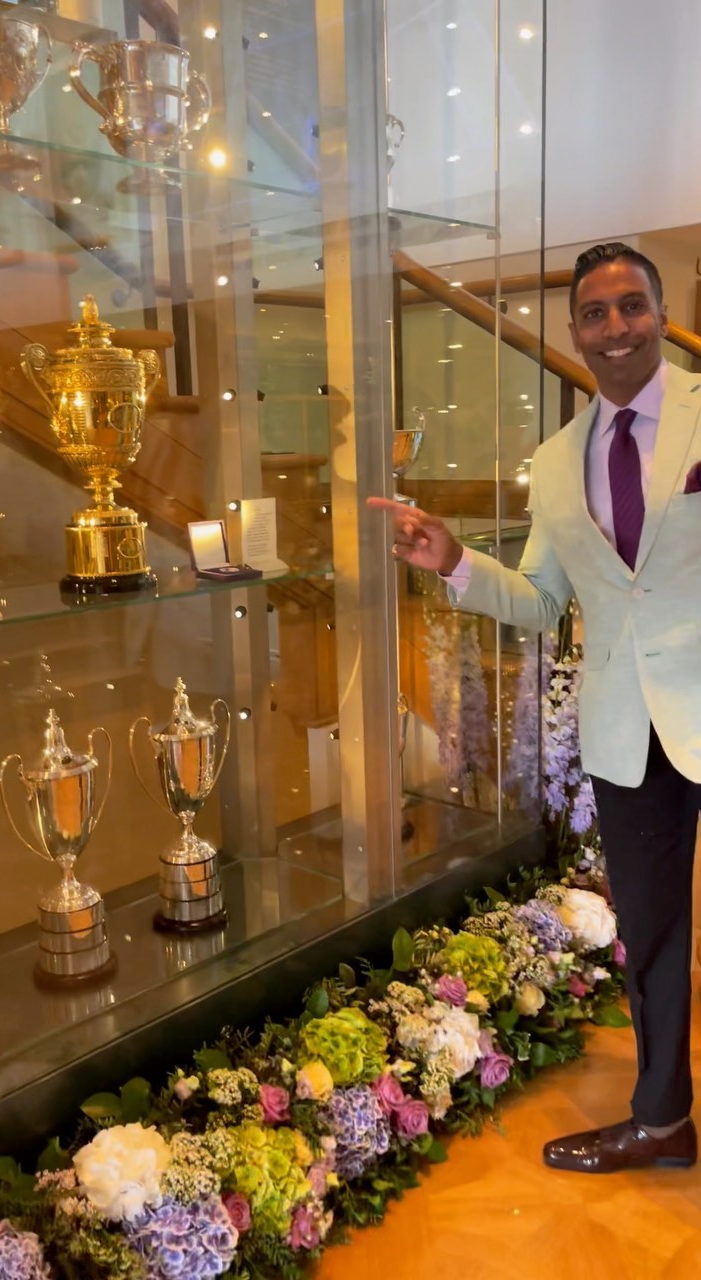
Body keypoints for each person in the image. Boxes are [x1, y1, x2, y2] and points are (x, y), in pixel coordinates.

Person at [369, 242, 701, 1174]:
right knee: (652, 932)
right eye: (595, 313)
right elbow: (547, 598)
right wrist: (455, 562)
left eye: (632, 306)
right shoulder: (556, 461)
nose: (615, 327)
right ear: (575, 332)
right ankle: (663, 1122)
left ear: (661, 314)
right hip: (627, 729)